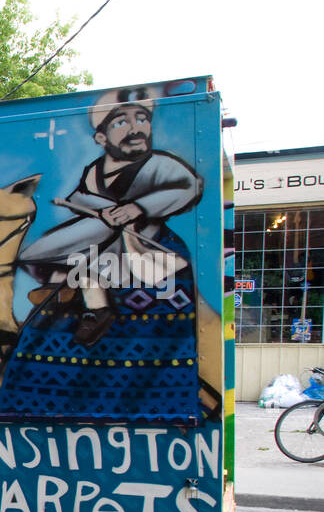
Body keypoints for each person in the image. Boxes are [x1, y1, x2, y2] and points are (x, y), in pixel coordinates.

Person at [18, 87, 203, 345]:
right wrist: (102, 210)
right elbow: (77, 198)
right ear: (101, 138)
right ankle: (74, 293)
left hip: (142, 242)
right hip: (99, 234)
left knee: (86, 262)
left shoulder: (160, 164)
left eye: (141, 119)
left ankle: (95, 307)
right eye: (121, 122)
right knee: (34, 255)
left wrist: (138, 207)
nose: (134, 128)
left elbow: (189, 187)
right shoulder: (94, 170)